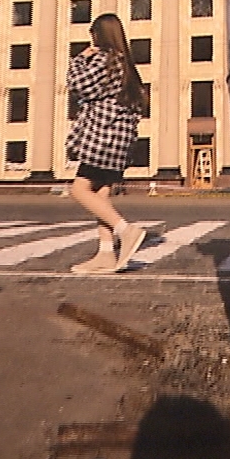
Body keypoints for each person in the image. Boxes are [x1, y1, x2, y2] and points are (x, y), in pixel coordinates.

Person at [65, 14, 151, 273]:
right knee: (100, 194)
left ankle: (126, 230)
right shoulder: (128, 67)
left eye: (93, 35)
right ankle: (105, 253)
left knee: (79, 190)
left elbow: (79, 86)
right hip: (120, 142)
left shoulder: (105, 59)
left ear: (98, 35)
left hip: (102, 137)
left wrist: (80, 58)